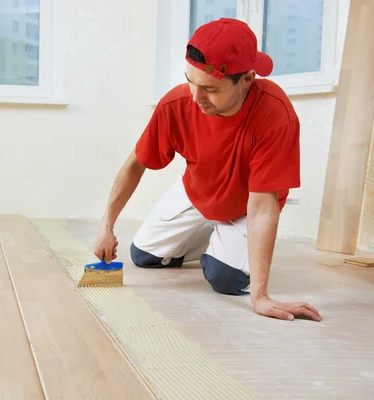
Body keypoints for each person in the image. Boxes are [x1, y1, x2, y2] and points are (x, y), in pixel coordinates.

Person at [93, 18, 321, 322]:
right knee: (143, 257)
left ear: (248, 79)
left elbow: (263, 206)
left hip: (246, 206)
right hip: (198, 190)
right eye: (191, 81)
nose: (196, 97)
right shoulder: (177, 103)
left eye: (210, 89)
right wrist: (106, 225)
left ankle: (229, 243)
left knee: (225, 279)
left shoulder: (274, 114)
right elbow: (136, 163)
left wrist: (261, 296)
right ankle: (214, 234)